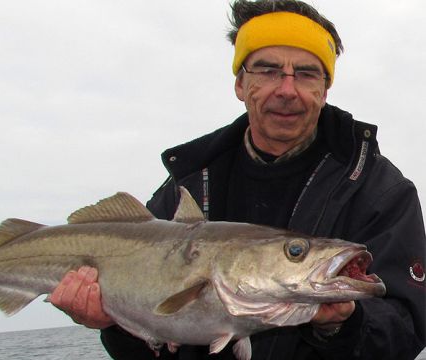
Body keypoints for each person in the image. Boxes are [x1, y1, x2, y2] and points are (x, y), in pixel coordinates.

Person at [49, 1, 426, 359]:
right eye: (268, 70)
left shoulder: (381, 191)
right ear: (240, 85)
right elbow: (155, 346)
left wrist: (343, 325)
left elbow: (408, 329)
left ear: (324, 91)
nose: (287, 89)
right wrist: (114, 322)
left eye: (307, 74)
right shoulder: (188, 186)